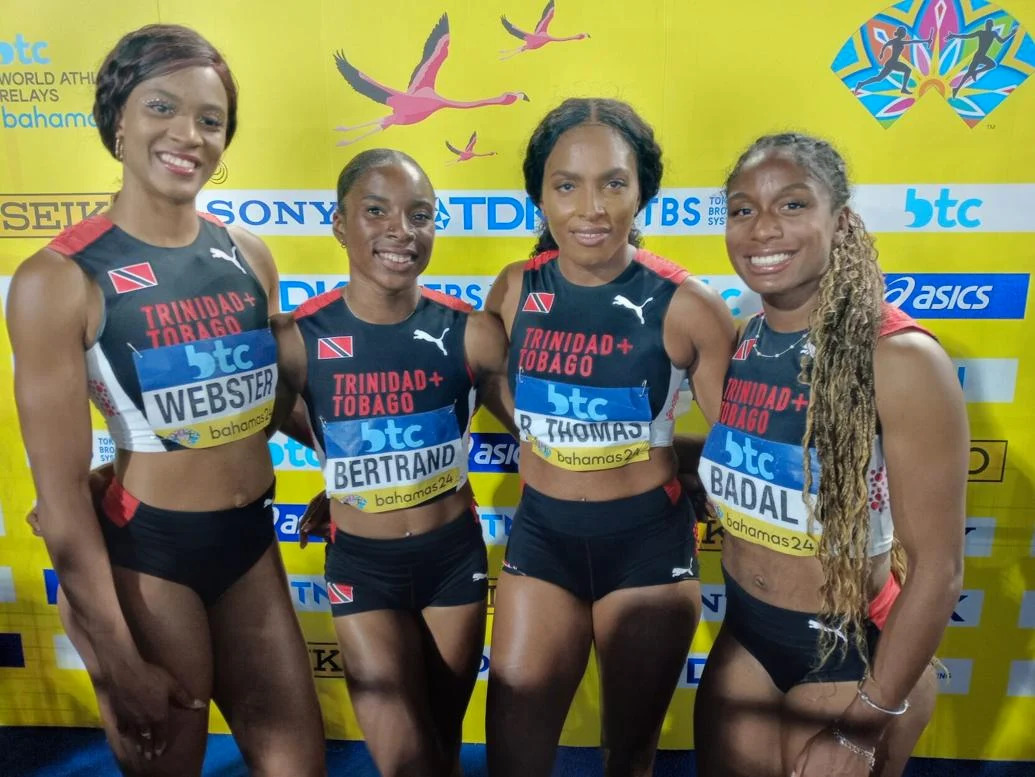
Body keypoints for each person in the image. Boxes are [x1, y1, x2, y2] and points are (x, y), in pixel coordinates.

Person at [6, 24, 325, 776]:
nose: (188, 135)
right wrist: (116, 658)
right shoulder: (57, 279)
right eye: (162, 108)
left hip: (250, 547)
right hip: (151, 561)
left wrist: (371, 478)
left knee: (298, 763)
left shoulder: (248, 254)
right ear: (118, 120)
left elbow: (271, 403)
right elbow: (58, 499)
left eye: (209, 121)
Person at [693, 133, 967, 777]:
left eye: (791, 205)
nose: (762, 230)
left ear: (839, 221)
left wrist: (863, 730)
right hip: (747, 639)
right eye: (741, 209)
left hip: (852, 657)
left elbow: (938, 571)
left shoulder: (900, 357)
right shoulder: (745, 339)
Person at [483, 97, 737, 777]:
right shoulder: (511, 289)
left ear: (641, 192)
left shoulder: (690, 306)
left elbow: (748, 442)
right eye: (566, 185)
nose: (590, 208)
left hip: (645, 552)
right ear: (538, 195)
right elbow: (488, 385)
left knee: (628, 755)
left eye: (613, 183)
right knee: (511, 755)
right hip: (542, 542)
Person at [270, 148, 514, 777]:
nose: (400, 230)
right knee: (407, 760)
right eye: (376, 211)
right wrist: (340, 461)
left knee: (442, 737)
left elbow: (547, 434)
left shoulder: (474, 332)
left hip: (453, 560)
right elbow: (249, 425)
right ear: (339, 224)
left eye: (419, 214)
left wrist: (675, 460)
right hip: (363, 567)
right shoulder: (298, 339)